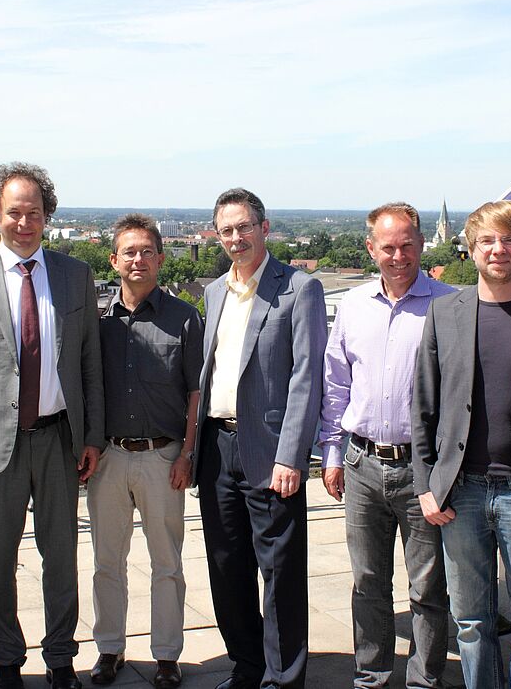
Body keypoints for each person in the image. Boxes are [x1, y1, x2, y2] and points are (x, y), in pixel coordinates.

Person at [0, 162, 105, 689]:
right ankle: (7, 662)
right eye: (13, 212)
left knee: (61, 558)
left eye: (34, 212)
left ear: (47, 216)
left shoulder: (74, 273)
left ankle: (61, 659)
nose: (24, 222)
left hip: (60, 439)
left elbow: (88, 363)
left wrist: (91, 437)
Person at [412, 201, 511, 688]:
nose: (499, 250)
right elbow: (424, 409)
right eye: (487, 241)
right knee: (471, 623)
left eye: (509, 240)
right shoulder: (444, 313)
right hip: (462, 494)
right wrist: (426, 485)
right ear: (471, 249)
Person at [196, 188, 327, 689]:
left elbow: (306, 378)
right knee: (227, 569)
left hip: (272, 453)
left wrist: (292, 456)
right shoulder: (214, 292)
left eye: (244, 227)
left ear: (264, 228)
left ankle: (282, 676)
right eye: (226, 229)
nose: (235, 237)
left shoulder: (299, 289)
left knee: (279, 575)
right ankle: (247, 666)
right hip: (218, 447)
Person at [319, 202, 453, 688]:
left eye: (408, 246)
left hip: (424, 470)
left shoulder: (450, 304)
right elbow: (336, 386)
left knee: (428, 588)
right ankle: (371, 677)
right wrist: (332, 454)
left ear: (421, 245)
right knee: (369, 584)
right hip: (361, 462)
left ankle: (423, 681)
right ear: (371, 248)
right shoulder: (353, 307)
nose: (399, 256)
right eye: (388, 247)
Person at [88, 213, 203, 688]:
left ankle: (166, 655)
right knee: (106, 562)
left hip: (163, 457)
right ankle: (109, 649)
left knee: (166, 562)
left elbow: (196, 393)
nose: (138, 260)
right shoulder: (98, 323)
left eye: (147, 251)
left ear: (160, 257)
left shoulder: (185, 318)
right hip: (110, 459)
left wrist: (187, 455)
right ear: (113, 260)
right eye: (128, 252)